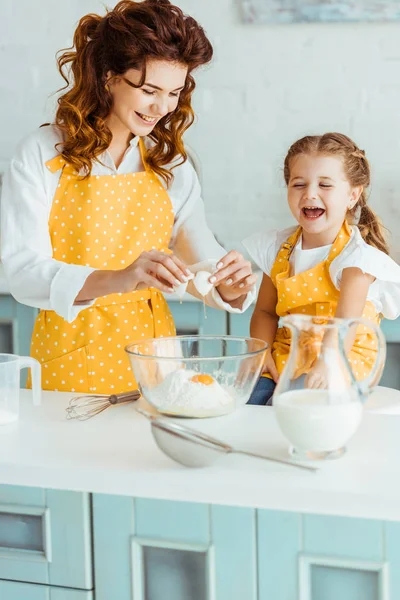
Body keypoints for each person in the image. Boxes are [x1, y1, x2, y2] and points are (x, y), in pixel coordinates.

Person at [1, 0, 256, 395]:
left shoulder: (168, 163)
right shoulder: (42, 153)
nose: (162, 108)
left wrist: (227, 285)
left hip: (157, 359)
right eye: (149, 90)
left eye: (173, 93)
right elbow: (21, 270)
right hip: (70, 357)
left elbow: (198, 255)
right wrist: (119, 279)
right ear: (108, 77)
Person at [243, 132, 400, 405]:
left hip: (340, 356)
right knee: (249, 399)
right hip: (290, 352)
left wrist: (328, 362)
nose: (310, 194)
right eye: (298, 184)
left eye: (325, 185)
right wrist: (261, 352)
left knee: (297, 406)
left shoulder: (357, 259)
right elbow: (266, 312)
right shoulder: (278, 248)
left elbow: (345, 326)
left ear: (352, 195)